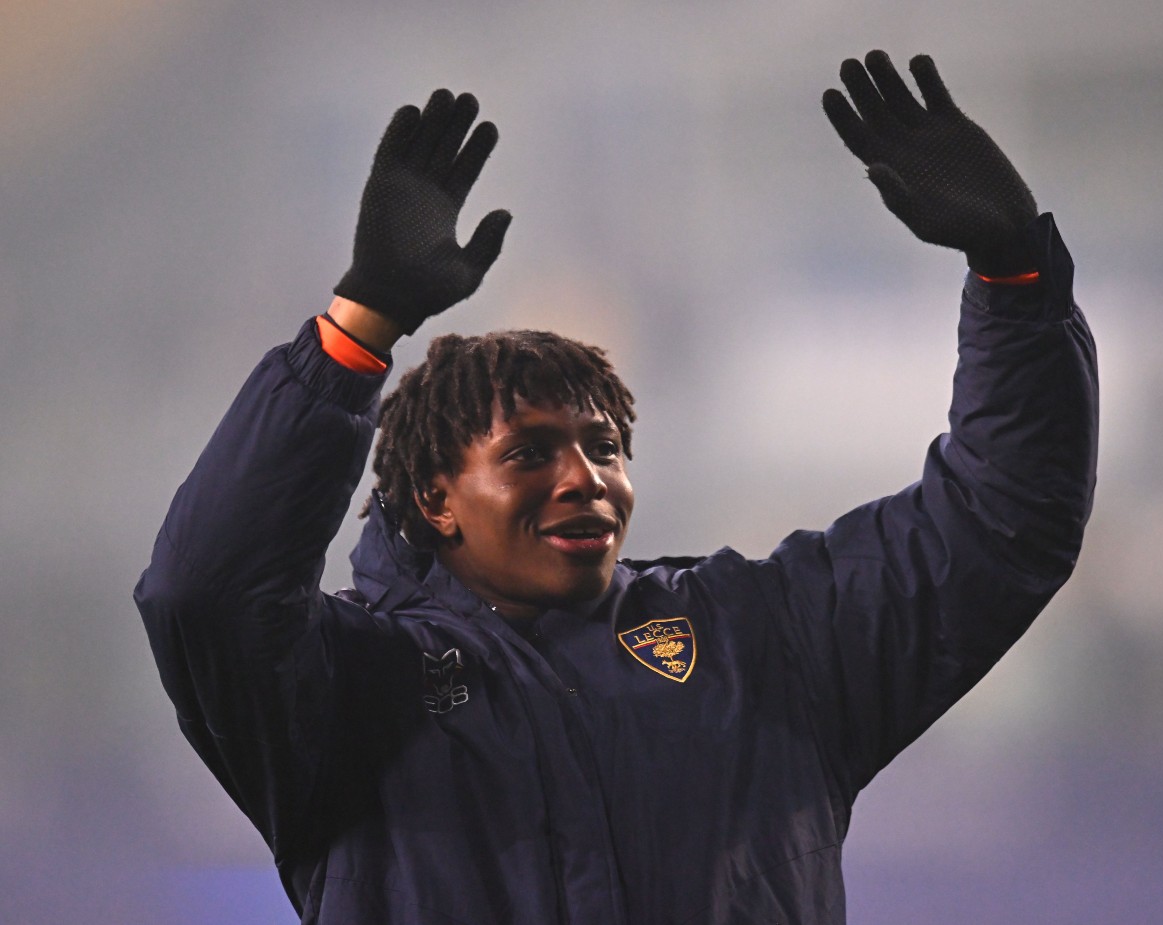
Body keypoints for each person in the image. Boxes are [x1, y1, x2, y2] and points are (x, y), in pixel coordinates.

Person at [135, 50, 1098, 925]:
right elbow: (206, 589)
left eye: (604, 447)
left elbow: (1003, 520)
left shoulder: (760, 640)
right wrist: (359, 328)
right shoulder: (343, 690)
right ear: (434, 497)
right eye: (530, 453)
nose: (584, 478)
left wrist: (1017, 277)